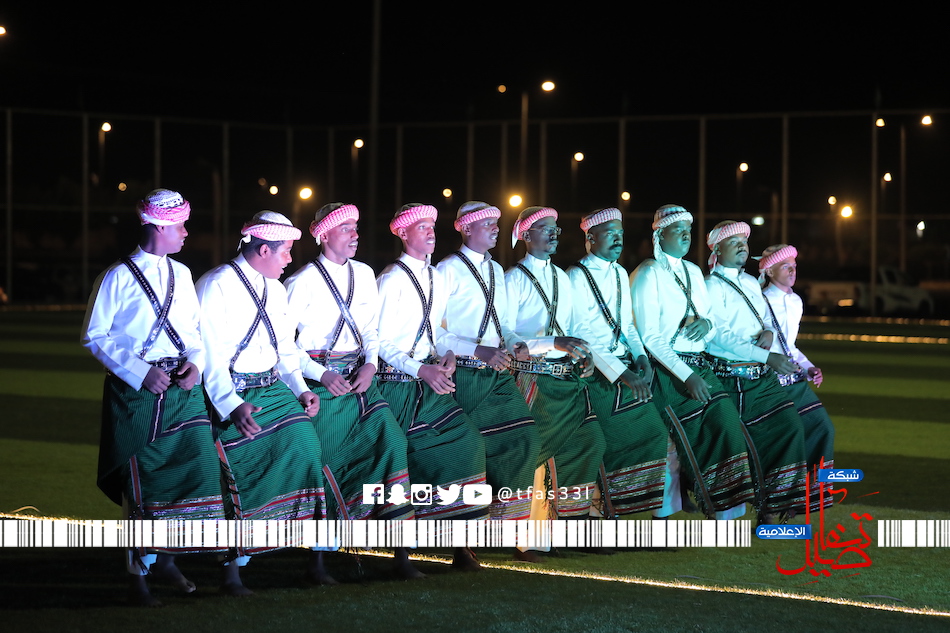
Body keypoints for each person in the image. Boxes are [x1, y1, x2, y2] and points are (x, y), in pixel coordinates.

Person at [82, 188, 226, 607]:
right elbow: (94, 335)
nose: (186, 233)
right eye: (180, 225)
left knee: (193, 473)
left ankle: (165, 559)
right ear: (159, 227)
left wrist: (195, 364)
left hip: (183, 390)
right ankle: (138, 579)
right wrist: (141, 372)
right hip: (136, 394)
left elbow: (194, 332)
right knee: (141, 486)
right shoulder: (116, 276)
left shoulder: (182, 273)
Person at [284, 202, 419, 579]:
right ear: (324, 234)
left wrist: (372, 364)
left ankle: (401, 553)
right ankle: (317, 560)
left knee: (392, 443)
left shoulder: (364, 273)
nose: (355, 234)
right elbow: (283, 344)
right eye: (346, 228)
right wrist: (320, 374)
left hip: (361, 381)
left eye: (356, 227)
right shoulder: (301, 281)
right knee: (326, 461)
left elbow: (371, 329)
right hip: (322, 385)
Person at [196, 211, 326, 594]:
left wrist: (300, 389)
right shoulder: (216, 284)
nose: (290, 259)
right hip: (230, 395)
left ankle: (303, 553)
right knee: (239, 474)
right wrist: (230, 404)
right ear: (264, 249)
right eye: (285, 251)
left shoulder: (276, 288)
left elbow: (284, 348)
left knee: (306, 447)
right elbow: (209, 355)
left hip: (272, 390)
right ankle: (232, 569)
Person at [376, 203, 490, 572]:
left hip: (429, 384)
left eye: (432, 226)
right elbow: (379, 342)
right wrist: (419, 368)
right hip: (394, 385)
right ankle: (401, 555)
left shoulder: (436, 277)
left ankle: (460, 545)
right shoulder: (391, 279)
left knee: (467, 443)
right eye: (421, 226)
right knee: (401, 459)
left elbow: (436, 333)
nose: (430, 232)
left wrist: (448, 354)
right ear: (402, 233)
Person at [629, 204, 755, 520]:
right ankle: (664, 515)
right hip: (666, 371)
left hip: (698, 366)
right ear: (660, 235)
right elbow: (649, 336)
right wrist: (686, 376)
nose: (686, 235)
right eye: (678, 230)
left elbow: (709, 318)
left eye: (688, 230)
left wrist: (706, 323)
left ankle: (725, 511)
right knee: (672, 445)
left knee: (726, 424)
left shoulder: (695, 271)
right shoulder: (648, 273)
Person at [435, 201, 540, 522]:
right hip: (463, 376)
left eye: (497, 223)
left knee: (524, 438)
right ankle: (465, 527)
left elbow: (503, 324)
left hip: (497, 374)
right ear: (467, 229)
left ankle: (505, 523)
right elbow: (433, 331)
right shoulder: (447, 269)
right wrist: (477, 350)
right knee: (470, 452)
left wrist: (513, 342)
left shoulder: (495, 269)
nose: (496, 229)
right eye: (488, 224)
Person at [506, 206, 606, 536]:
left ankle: (572, 522)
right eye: (545, 228)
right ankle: (528, 539)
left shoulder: (562, 277)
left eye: (556, 229)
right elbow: (506, 334)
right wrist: (554, 343)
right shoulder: (513, 278)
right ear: (525, 235)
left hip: (566, 378)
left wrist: (584, 355)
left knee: (591, 440)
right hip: (532, 378)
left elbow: (574, 328)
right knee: (536, 455)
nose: (553, 234)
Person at [567, 207, 671, 518]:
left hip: (626, 368)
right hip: (597, 374)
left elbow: (627, 325)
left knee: (655, 434)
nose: (618, 240)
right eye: (610, 234)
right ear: (590, 237)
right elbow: (582, 333)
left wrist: (641, 356)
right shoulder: (576, 275)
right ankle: (601, 511)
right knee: (613, 441)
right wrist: (623, 372)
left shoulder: (619, 273)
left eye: (621, 234)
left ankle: (625, 510)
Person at [704, 221, 809, 522]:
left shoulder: (750, 282)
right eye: (734, 241)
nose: (742, 246)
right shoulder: (710, 286)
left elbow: (765, 319)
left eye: (744, 241)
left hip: (760, 377)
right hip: (730, 378)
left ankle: (773, 506)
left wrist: (767, 331)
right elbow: (719, 337)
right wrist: (767, 356)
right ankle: (727, 510)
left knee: (790, 427)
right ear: (717, 249)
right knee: (735, 446)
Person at [759, 244, 836, 482]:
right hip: (768, 381)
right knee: (790, 434)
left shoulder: (796, 301)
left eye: (794, 266)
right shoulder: (759, 301)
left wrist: (809, 367)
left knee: (823, 427)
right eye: (786, 266)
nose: (793, 271)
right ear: (769, 271)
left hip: (793, 379)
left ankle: (815, 489)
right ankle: (785, 490)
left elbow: (789, 346)